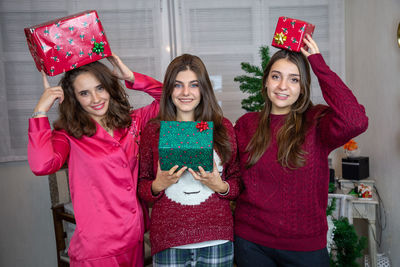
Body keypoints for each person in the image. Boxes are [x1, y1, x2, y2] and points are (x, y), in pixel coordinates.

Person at [233, 35, 368, 266]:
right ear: (265, 82)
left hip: (305, 248)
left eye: (293, 80)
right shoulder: (246, 124)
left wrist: (318, 63)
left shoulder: (317, 121)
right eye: (276, 77)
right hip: (250, 243)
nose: (283, 86)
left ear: (303, 87)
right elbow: (232, 177)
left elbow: (355, 120)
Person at [27, 54, 162, 267]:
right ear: (74, 98)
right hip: (98, 249)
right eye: (84, 93)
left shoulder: (133, 122)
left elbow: (171, 99)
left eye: (100, 88)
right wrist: (40, 112)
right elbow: (42, 165)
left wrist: (131, 77)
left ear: (109, 87)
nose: (96, 99)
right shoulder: (67, 135)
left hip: (134, 237)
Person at [138, 54, 241, 266]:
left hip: (216, 239)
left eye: (194, 85)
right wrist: (158, 185)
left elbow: (237, 182)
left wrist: (219, 186)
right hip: (169, 241)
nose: (186, 92)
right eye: (178, 85)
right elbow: (142, 186)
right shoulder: (154, 130)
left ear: (204, 89)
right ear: (169, 90)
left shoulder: (222, 128)